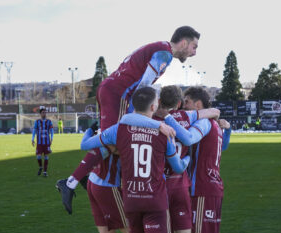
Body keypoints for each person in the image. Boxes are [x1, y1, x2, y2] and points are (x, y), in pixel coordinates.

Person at [56, 25, 200, 214]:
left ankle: (83, 176)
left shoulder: (159, 47)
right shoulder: (164, 54)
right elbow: (143, 86)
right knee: (115, 141)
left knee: (114, 140)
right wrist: (137, 116)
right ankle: (71, 182)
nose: (194, 52)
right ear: (183, 42)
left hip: (111, 90)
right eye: (194, 47)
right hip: (120, 94)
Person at [80, 87, 190, 233]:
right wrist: (188, 158)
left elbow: (85, 145)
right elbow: (178, 168)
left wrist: (89, 130)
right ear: (154, 106)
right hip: (154, 199)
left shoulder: (118, 129)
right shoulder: (163, 133)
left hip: (131, 198)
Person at [162, 87, 231, 233]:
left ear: (198, 104)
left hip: (201, 185)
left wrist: (167, 119)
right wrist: (228, 130)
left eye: (187, 102)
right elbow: (224, 146)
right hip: (211, 183)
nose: (184, 106)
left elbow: (188, 138)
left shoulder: (203, 122)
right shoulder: (214, 124)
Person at [32, 108, 54, 177]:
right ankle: (41, 167)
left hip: (47, 142)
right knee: (38, 156)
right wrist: (32, 139)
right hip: (39, 142)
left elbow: (52, 131)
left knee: (46, 156)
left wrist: (52, 138)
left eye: (45, 112)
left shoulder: (49, 121)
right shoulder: (37, 122)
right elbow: (34, 131)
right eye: (43, 112)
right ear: (40, 114)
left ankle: (45, 172)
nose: (44, 114)